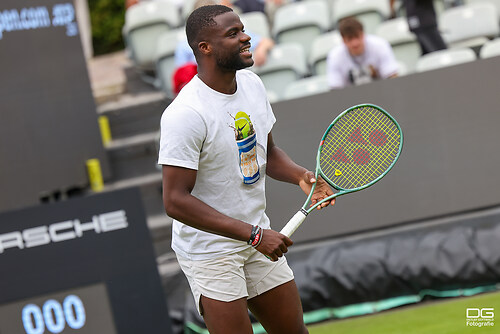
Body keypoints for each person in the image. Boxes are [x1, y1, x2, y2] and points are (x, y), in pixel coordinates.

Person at [158, 4, 334, 334]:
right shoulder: (185, 114)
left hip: (256, 237)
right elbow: (175, 201)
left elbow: (267, 153)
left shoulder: (252, 85)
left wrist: (302, 176)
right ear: (204, 48)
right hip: (211, 252)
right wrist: (253, 236)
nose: (245, 37)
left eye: (242, 29)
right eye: (233, 33)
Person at [172, 0, 274, 95]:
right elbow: (183, 75)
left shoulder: (253, 82)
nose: (246, 37)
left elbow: (266, 41)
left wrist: (261, 49)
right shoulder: (183, 46)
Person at [326, 17, 399, 90]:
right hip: (350, 98)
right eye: (349, 39)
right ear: (343, 40)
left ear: (363, 34)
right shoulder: (335, 56)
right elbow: (335, 89)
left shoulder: (380, 45)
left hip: (382, 91)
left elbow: (393, 76)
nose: (355, 43)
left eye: (357, 36)